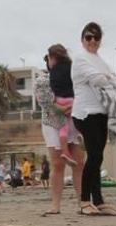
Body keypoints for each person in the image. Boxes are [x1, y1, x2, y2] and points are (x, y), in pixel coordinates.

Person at [71, 22, 116, 216]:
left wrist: (108, 78)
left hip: (102, 112)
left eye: (96, 37)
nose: (92, 40)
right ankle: (84, 201)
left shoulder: (99, 59)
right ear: (82, 38)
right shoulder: (80, 58)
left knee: (98, 157)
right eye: (88, 37)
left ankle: (98, 200)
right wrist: (108, 78)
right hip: (85, 113)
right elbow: (99, 79)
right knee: (94, 157)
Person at [37, 54, 86, 216]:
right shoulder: (43, 80)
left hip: (74, 121)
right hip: (53, 123)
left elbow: (83, 96)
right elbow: (44, 102)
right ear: (48, 62)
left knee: (79, 163)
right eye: (53, 60)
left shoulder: (74, 78)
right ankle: (55, 205)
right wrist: (63, 109)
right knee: (58, 164)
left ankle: (83, 202)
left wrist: (74, 108)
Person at [47, 44, 78, 166]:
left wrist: (58, 105)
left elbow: (52, 91)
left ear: (53, 57)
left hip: (59, 100)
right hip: (71, 100)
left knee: (63, 128)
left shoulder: (52, 72)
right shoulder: (72, 67)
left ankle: (65, 151)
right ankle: (82, 137)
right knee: (79, 121)